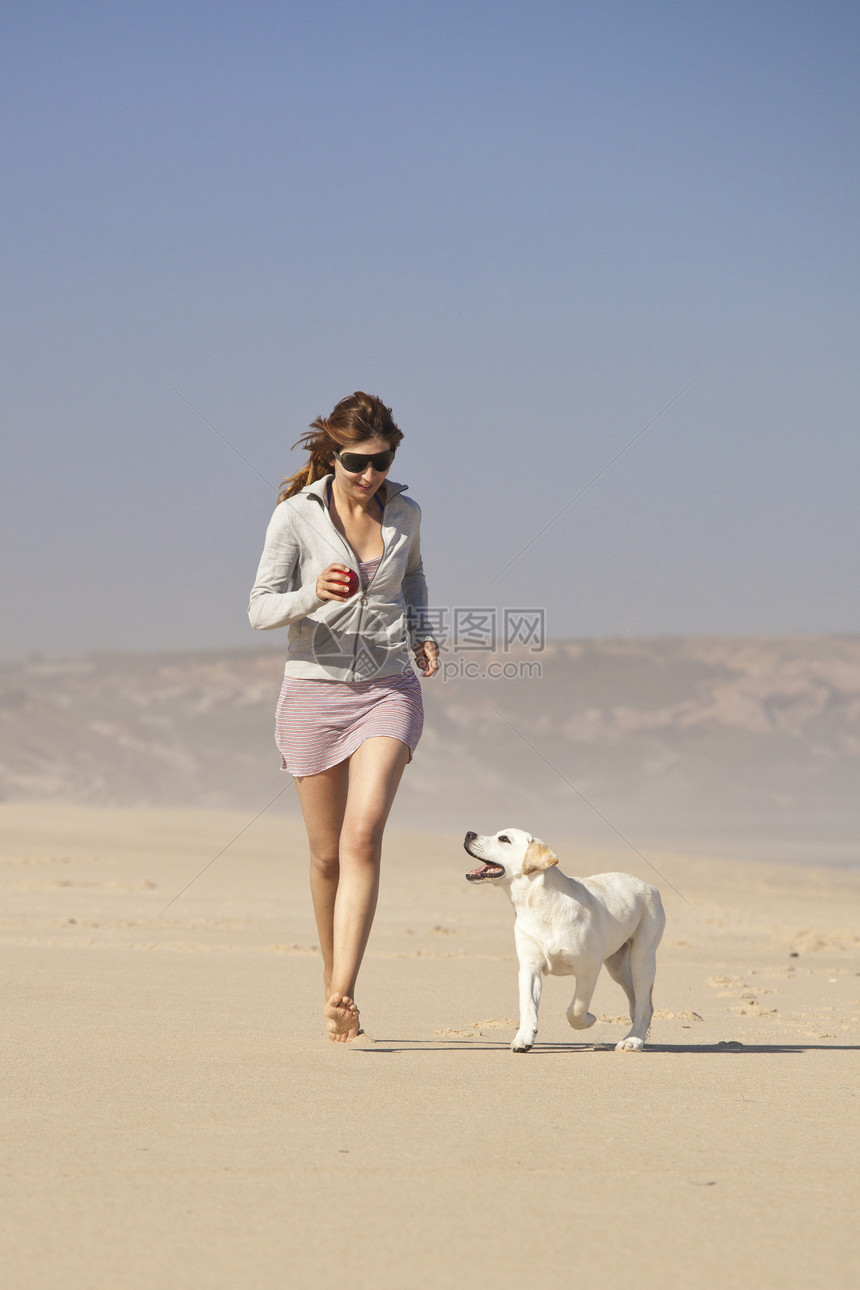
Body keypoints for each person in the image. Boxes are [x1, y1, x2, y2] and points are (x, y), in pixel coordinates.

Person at [249, 392, 438, 1042]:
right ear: (334, 454)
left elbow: (412, 578)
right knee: (326, 856)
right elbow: (259, 608)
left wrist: (421, 632)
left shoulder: (407, 513)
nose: (369, 476)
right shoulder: (295, 517)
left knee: (363, 838)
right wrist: (312, 593)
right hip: (313, 693)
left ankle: (344, 989)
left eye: (381, 461)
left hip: (389, 689)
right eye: (357, 462)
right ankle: (334, 984)